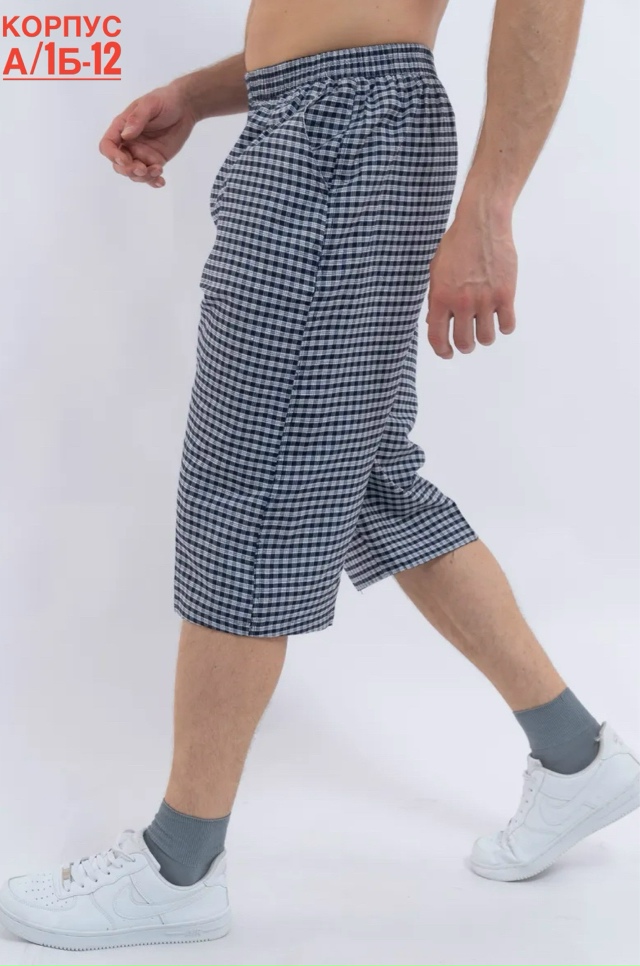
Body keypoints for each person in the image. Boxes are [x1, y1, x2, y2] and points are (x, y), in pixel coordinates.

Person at [1, 0, 638, 953]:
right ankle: (574, 753)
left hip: (347, 134)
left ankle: (179, 869)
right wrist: (203, 92)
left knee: (250, 480)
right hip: (313, 119)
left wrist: (491, 205)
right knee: (366, 478)